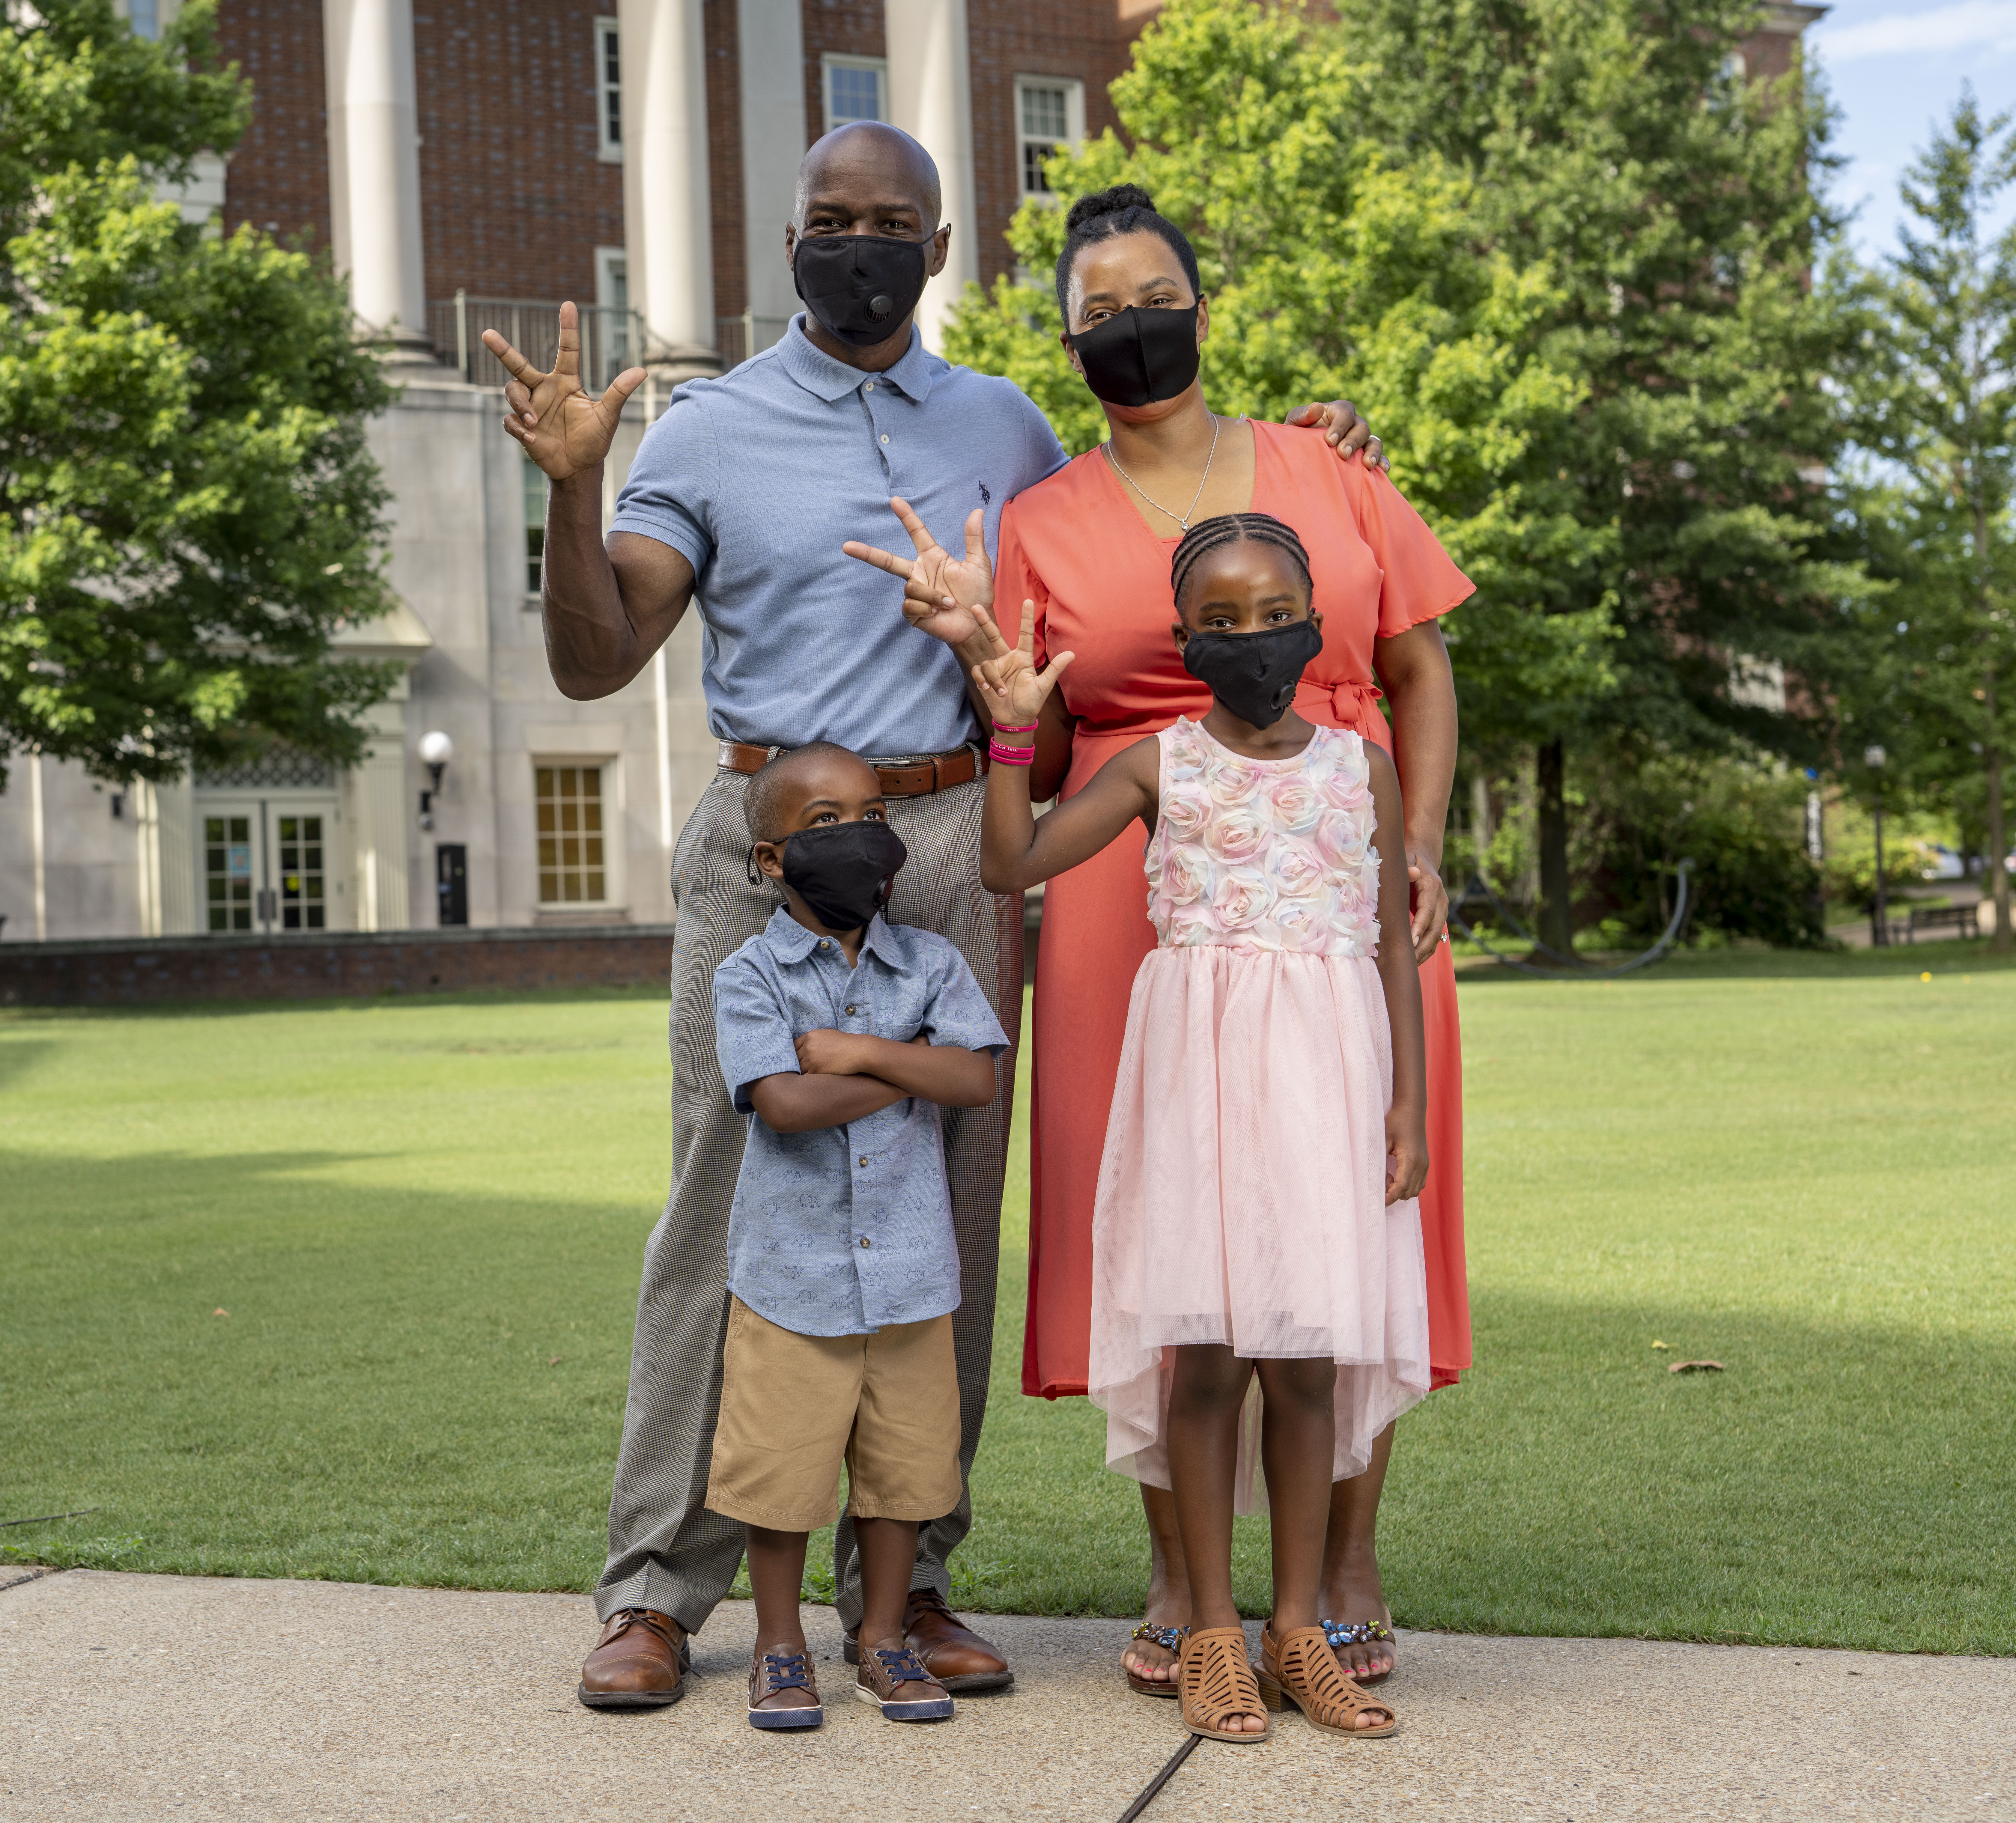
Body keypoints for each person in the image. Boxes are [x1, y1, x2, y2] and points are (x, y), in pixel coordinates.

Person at [483, 124, 1381, 1711]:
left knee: (947, 1209)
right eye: (833, 219)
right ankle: (655, 1591)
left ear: (940, 245)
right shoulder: (709, 425)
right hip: (768, 836)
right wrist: (573, 493)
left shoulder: (1009, 425)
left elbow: (1141, 537)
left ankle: (909, 1580)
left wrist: (1312, 453)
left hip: (963, 831)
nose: (860, 243)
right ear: (791, 238)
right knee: (725, 1202)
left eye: (891, 221)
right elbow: (594, 658)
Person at [929, 184, 1468, 1693]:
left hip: (1344, 871)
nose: (1130, 326)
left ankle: (1344, 1560)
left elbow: (1421, 667)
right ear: (1065, 345)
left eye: (1149, 294)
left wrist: (1414, 843)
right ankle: (1183, 1576)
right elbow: (1031, 765)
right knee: (1165, 1233)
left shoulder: (1329, 467)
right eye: (1094, 312)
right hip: (1139, 912)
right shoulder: (1037, 525)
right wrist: (992, 714)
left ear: (1203, 305)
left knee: (1351, 1217)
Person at [972, 512, 1426, 1743]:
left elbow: (1388, 940)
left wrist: (1412, 1105)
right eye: (1219, 623)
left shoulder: (1359, 767)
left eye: (1273, 616)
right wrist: (1016, 730)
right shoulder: (1156, 765)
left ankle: (1298, 1627)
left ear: (1317, 626)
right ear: (1183, 641)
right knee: (1212, 1358)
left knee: (1310, 1358)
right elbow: (1010, 866)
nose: (1250, 640)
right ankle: (1214, 1633)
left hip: (1329, 1076)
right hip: (1202, 1082)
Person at [706, 744, 1009, 1730]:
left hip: (913, 1276)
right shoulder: (747, 975)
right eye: (824, 824)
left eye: (873, 814)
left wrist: (857, 1053)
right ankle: (780, 1646)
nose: (858, 837)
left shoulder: (933, 962)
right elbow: (785, 1105)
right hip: (792, 1282)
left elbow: (976, 1079)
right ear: (771, 858)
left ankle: (882, 1637)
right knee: (782, 1476)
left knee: (904, 1474)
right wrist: (911, 1064)